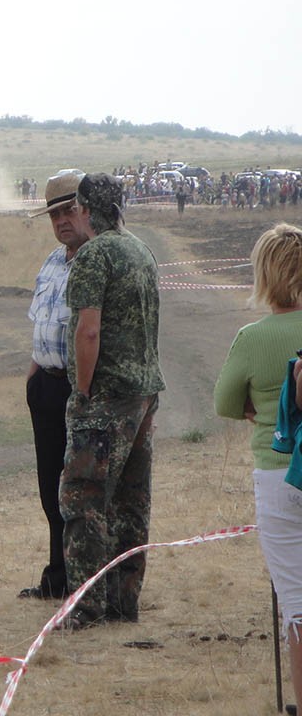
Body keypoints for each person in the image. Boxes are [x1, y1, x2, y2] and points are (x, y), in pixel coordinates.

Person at [58, 172, 166, 630]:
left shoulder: (94, 255)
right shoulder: (142, 251)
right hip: (144, 391)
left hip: (106, 398)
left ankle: (85, 606)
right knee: (130, 501)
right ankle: (124, 601)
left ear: (84, 210)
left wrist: (82, 393)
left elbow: (89, 329)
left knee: (83, 498)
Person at [214, 223, 302, 708]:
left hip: (278, 472)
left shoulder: (252, 337)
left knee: (297, 607)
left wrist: (260, 408)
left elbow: (226, 402)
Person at [19, 171, 89, 600]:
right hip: (44, 386)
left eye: (69, 211)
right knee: (50, 489)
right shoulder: (51, 261)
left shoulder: (97, 262)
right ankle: (57, 577)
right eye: (55, 214)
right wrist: (31, 377)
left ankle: (82, 582)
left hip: (75, 390)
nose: (62, 221)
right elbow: (39, 325)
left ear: (86, 210)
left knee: (77, 491)